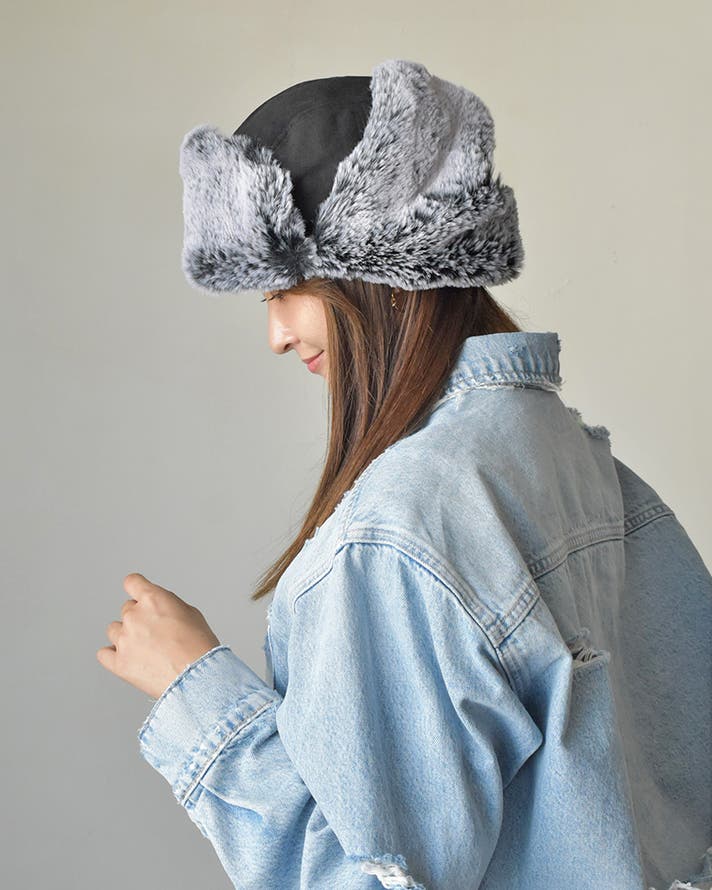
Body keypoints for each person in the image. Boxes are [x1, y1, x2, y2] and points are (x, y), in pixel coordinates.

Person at [96, 59, 712, 890]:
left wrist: (192, 688)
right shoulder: (574, 457)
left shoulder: (397, 531)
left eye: (287, 290)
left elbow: (368, 878)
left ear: (380, 275)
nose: (276, 335)